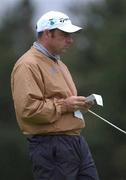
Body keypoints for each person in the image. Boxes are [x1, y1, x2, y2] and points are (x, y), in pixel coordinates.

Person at [11, 11, 99, 180]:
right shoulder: (27, 65)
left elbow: (62, 103)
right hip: (51, 146)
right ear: (47, 33)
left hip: (76, 142)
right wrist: (66, 105)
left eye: (70, 35)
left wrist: (78, 105)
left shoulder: (59, 63)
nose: (70, 40)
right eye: (64, 34)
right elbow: (29, 110)